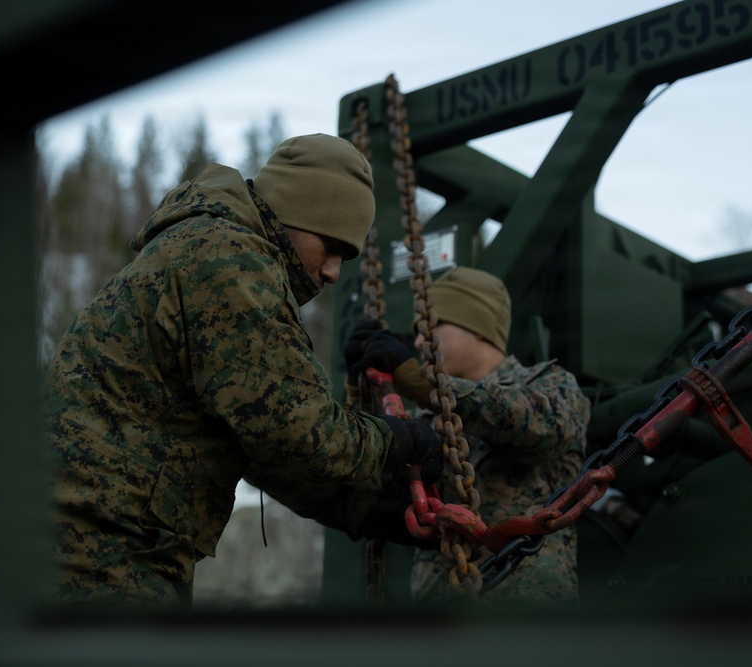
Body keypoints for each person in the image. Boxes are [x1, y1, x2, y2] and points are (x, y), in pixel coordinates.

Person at [44, 133, 443, 609]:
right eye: (332, 245)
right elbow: (299, 431)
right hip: (104, 546)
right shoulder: (229, 260)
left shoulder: (203, 245)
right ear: (295, 213)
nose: (334, 271)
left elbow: (267, 451)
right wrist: (399, 441)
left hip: (93, 537)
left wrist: (375, 512)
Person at [346, 266, 590, 604]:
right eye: (417, 333)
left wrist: (421, 384)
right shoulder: (424, 419)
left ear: (478, 328)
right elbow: (367, 492)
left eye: (431, 328)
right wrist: (360, 395)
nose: (419, 342)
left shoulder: (550, 386)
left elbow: (541, 426)